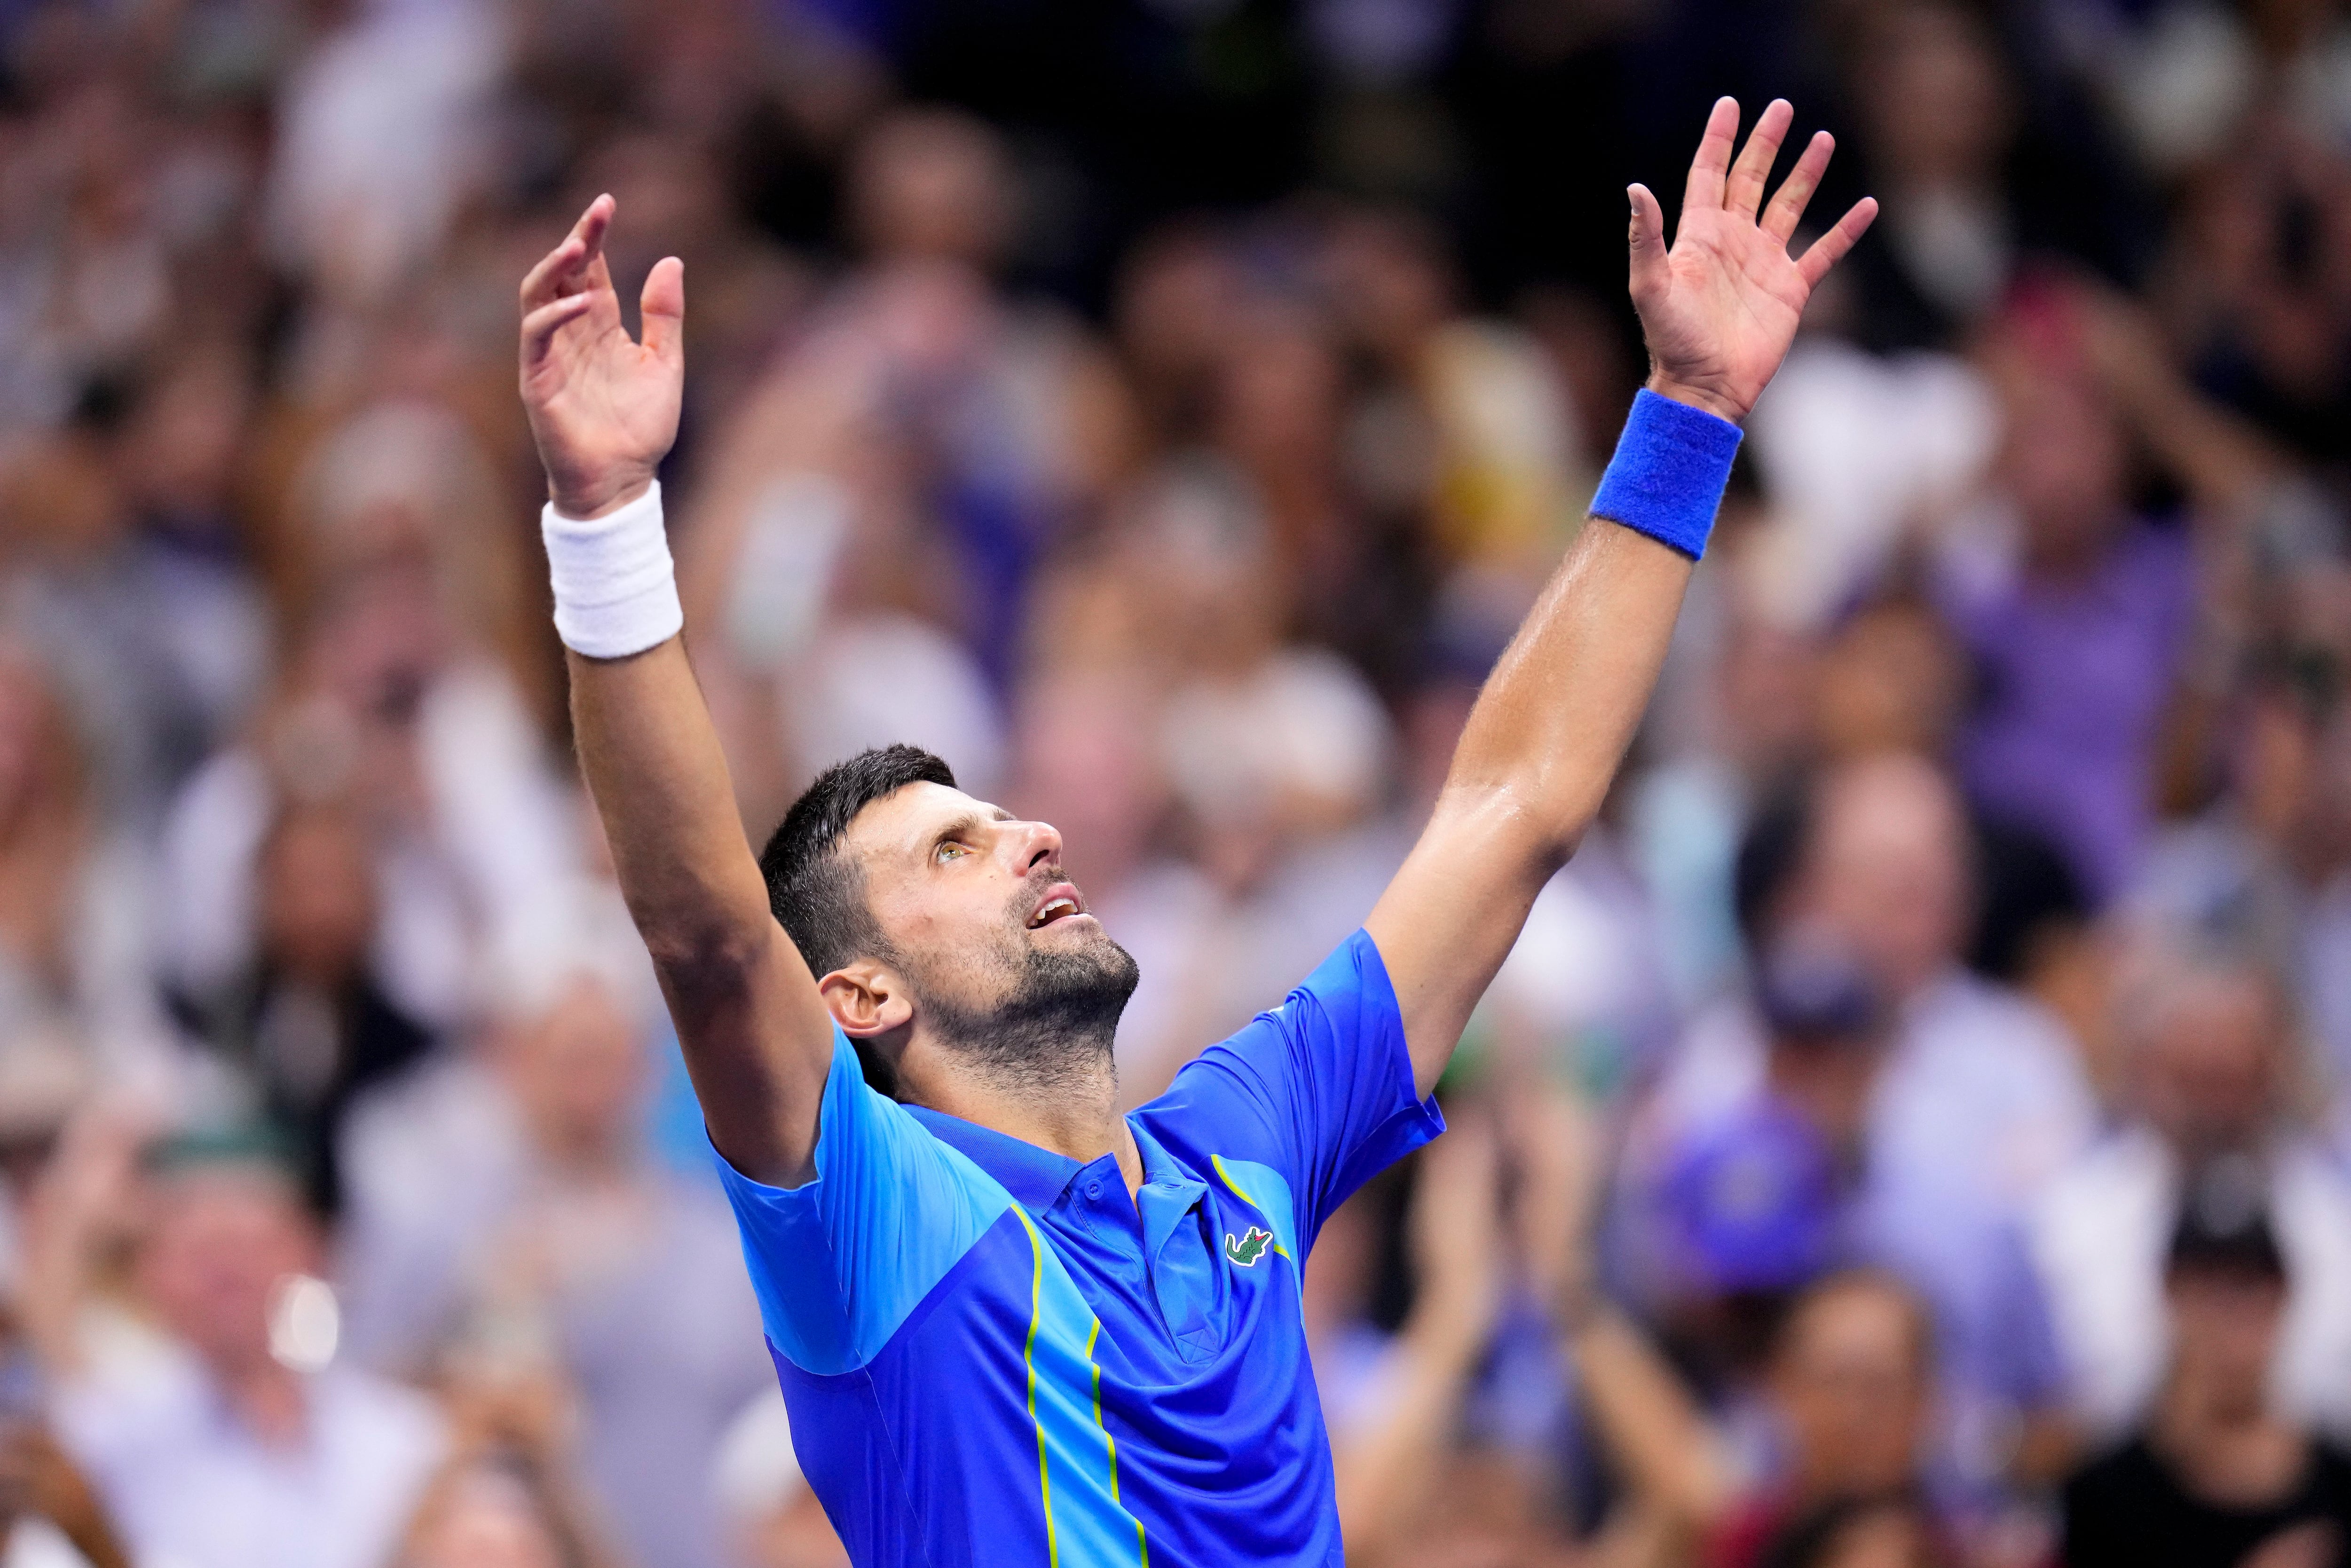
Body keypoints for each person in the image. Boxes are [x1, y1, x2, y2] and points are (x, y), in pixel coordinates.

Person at [513, 95, 1876, 1564]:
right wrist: (601, 518)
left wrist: (1686, 414)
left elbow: (1513, 808)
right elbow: (712, 934)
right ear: (858, 993)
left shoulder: (1241, 1142)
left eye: (1001, 813)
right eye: (950, 851)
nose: (1029, 834)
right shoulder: (873, 1220)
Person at [2060, 1172, 2351, 1568]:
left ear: (2284, 1297)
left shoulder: (2338, 1486)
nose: (2231, 1322)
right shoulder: (2106, 1496)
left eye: (2250, 1287)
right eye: (2207, 1290)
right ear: (2169, 1295)